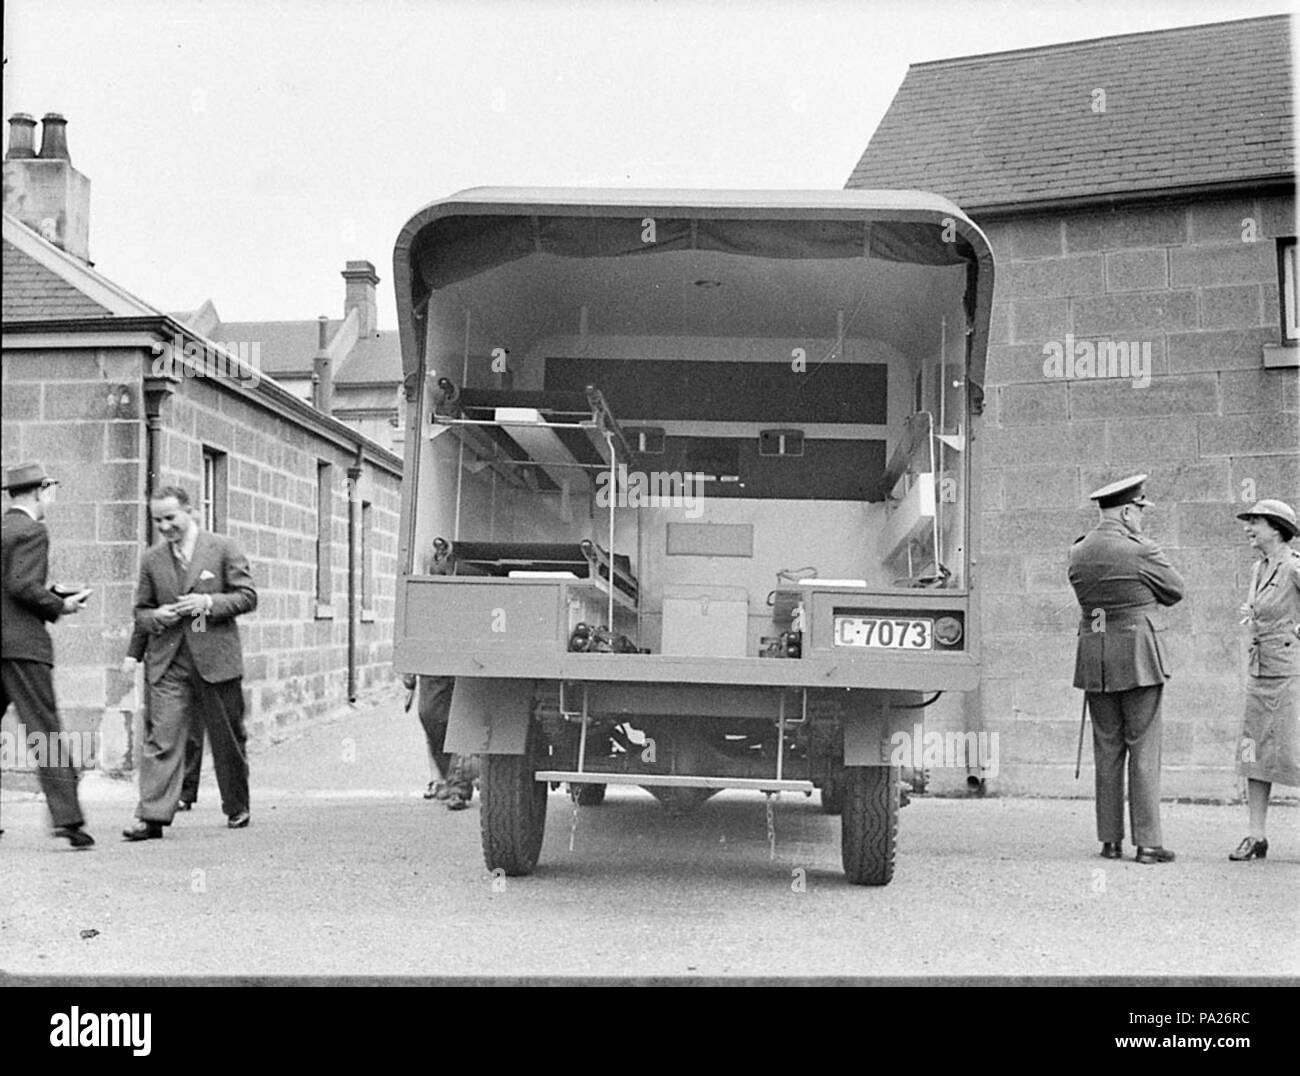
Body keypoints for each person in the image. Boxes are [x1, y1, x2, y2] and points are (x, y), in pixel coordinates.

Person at [123, 486, 257, 840]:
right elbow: (141, 612)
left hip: (215, 659)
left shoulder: (223, 547)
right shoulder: (152, 559)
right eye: (158, 520)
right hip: (169, 663)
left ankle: (237, 806)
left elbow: (247, 596)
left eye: (170, 518)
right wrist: (158, 617)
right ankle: (151, 817)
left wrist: (208, 603)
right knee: (162, 738)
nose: (165, 526)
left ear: (190, 512)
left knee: (227, 738)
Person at [1068, 474, 1184, 864]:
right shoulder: (1140, 550)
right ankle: (1148, 843)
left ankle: (1110, 840)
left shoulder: (1079, 551)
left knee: (1107, 749)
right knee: (1144, 748)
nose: (1142, 519)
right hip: (1138, 655)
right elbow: (1175, 591)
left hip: (1095, 655)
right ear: (1127, 512)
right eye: (1140, 511)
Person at [0, 461, 95, 847]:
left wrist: (51, 592)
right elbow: (23, 586)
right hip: (23, 647)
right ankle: (68, 820)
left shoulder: (4, 529)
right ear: (39, 491)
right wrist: (62, 606)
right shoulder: (33, 530)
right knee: (44, 730)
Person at [1229, 499, 1300, 861]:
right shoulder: (1259, 568)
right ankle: (1256, 835)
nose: (1248, 528)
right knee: (1253, 752)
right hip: (1260, 673)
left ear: (1275, 527)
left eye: (1254, 522)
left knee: (1295, 750)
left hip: (1291, 674)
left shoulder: (1294, 567)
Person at [123, 624, 205, 810]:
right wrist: (133, 654)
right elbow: (143, 617)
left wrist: (198, 647)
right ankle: (157, 793)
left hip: (191, 661)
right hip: (160, 661)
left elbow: (200, 621)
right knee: (158, 730)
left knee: (192, 730)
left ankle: (185, 791)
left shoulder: (198, 594)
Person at [402, 673, 474, 810]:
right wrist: (409, 680)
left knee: (465, 713)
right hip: (432, 662)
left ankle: (458, 785)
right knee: (430, 714)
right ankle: (450, 777)